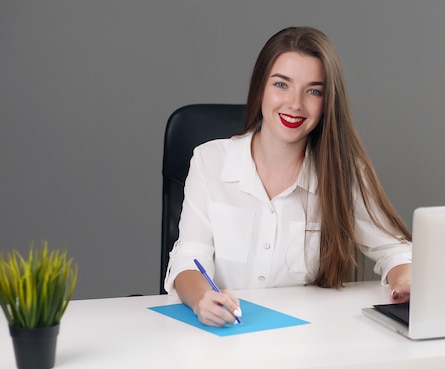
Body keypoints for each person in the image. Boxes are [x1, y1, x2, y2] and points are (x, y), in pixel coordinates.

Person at [164, 26, 412, 327]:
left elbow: (396, 250)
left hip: (304, 343)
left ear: (327, 101)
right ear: (260, 89)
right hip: (222, 336)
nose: (295, 104)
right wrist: (202, 298)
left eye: (313, 91)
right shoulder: (210, 160)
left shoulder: (342, 173)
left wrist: (405, 280)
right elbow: (189, 258)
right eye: (282, 85)